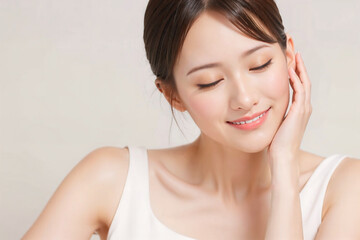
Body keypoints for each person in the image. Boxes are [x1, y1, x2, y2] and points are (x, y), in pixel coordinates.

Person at [22, 0, 360, 239]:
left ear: (288, 57)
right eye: (209, 81)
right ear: (174, 95)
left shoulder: (344, 188)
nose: (244, 98)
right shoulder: (111, 181)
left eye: (259, 64)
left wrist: (284, 172)